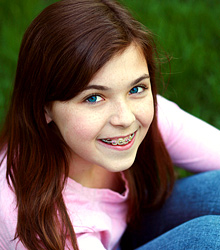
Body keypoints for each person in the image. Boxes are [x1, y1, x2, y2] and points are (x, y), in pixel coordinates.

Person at [0, 0, 220, 249]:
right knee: (210, 239)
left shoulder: (142, 113)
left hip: (130, 229)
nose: (125, 118)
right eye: (93, 98)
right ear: (44, 108)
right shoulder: (42, 224)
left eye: (136, 88)